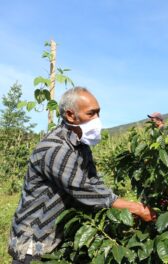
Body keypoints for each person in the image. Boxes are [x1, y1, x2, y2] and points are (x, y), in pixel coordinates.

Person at [9, 87, 157, 263]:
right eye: (91, 113)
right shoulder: (56, 149)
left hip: (56, 236)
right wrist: (135, 208)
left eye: (98, 113)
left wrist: (121, 207)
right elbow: (84, 190)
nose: (97, 119)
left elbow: (94, 181)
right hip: (34, 241)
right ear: (71, 115)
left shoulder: (81, 146)